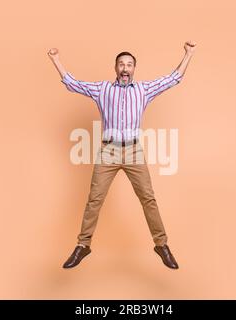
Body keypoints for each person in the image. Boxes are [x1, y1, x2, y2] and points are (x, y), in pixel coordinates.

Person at [47, 41, 196, 269]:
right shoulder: (102, 89)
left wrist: (188, 53)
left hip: (134, 150)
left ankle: (162, 245)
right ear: (115, 68)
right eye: (121, 64)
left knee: (148, 198)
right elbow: (73, 84)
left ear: (134, 69)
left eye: (129, 65)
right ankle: (83, 245)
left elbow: (173, 78)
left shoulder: (143, 90)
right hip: (108, 150)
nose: (125, 68)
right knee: (94, 200)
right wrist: (56, 59)